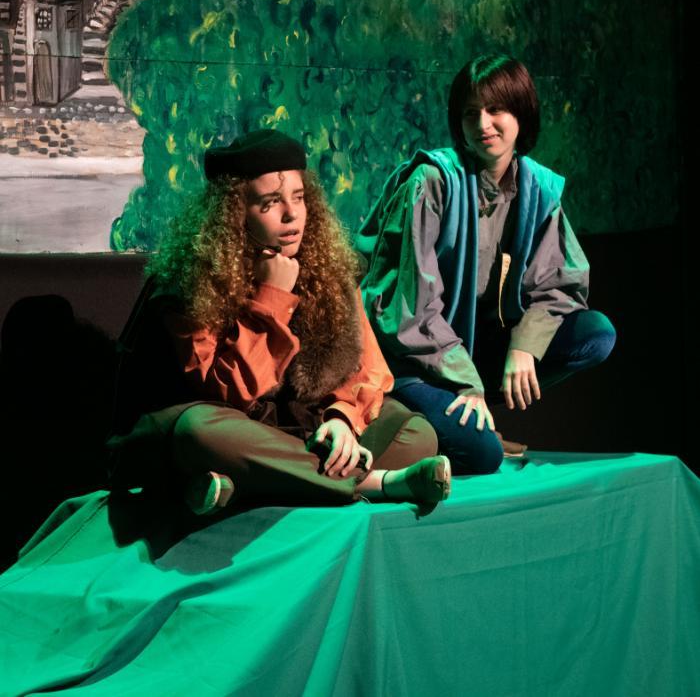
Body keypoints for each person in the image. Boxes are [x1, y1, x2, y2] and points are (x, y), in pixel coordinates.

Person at [110, 129, 450, 513]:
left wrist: (343, 419)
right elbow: (229, 391)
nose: (291, 215)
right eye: (270, 202)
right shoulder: (189, 282)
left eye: (299, 198)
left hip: (299, 428)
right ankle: (373, 482)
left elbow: (368, 369)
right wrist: (271, 297)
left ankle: (244, 485)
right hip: (229, 424)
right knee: (200, 433)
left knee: (415, 434)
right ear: (234, 213)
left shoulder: (329, 269)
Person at [356, 54, 616, 475]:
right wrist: (466, 381)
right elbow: (408, 309)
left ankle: (462, 414)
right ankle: (416, 411)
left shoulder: (537, 188)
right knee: (482, 454)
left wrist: (524, 346)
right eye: (470, 113)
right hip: (411, 359)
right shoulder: (433, 182)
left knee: (595, 333)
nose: (483, 124)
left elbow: (560, 284)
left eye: (496, 109)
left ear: (521, 114)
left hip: (477, 349)